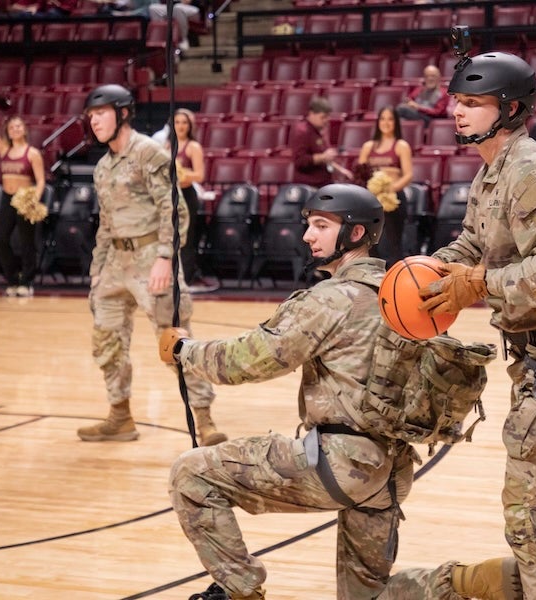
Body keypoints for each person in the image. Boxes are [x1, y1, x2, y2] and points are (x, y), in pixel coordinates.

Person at [408, 51, 536, 600]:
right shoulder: (491, 172)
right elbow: (473, 245)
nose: (457, 110)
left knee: (529, 499)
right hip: (535, 355)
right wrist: (421, 275)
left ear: (511, 109)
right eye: (457, 100)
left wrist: (479, 283)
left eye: (472, 103)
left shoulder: (532, 169)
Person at [160, 184, 418, 600]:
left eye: (320, 226)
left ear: (354, 234)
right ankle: (466, 581)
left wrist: (183, 350)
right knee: (367, 596)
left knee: (191, 474)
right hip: (392, 472)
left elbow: (248, 360)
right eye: (308, 226)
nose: (307, 236)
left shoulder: (334, 298)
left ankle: (241, 592)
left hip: (341, 465)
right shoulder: (400, 292)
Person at [77, 84, 226, 447]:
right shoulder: (102, 166)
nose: (94, 121)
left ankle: (205, 422)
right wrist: (97, 269)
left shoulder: (150, 154)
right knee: (107, 343)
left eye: (101, 113)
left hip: (150, 260)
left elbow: (174, 209)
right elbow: (106, 223)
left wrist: (164, 257)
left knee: (175, 343)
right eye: (91, 116)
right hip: (114, 262)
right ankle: (120, 416)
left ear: (123, 113)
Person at [0, 98, 46, 297]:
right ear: (8, 131)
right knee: (1, 239)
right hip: (7, 198)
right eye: (11, 127)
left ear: (24, 130)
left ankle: (26, 282)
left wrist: (33, 199)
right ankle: (12, 279)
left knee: (27, 242)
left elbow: (41, 181)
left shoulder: (33, 153)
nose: (15, 129)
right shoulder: (4, 150)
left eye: (18, 126)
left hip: (25, 198)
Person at [164, 107, 217, 293]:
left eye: (184, 122)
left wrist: (182, 173)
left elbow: (200, 175)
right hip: (170, 196)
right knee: (169, 236)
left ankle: (185, 279)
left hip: (187, 195)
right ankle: (169, 276)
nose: (180, 126)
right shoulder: (167, 146)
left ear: (190, 125)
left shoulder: (193, 147)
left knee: (186, 238)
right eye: (177, 122)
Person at [357, 105, 414, 268]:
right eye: (382, 118)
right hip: (372, 201)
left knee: (393, 243)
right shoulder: (368, 146)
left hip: (393, 199)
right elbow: (361, 173)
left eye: (390, 119)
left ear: (395, 122)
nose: (386, 122)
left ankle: (395, 281)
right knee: (371, 243)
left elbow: (408, 175)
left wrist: (389, 190)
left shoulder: (401, 145)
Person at [290, 96, 352, 188]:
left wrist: (341, 170)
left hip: (323, 184)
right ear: (311, 114)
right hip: (308, 187)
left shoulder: (321, 131)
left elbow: (325, 158)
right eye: (323, 117)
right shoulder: (303, 132)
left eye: (327, 117)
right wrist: (323, 157)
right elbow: (300, 161)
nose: (326, 121)